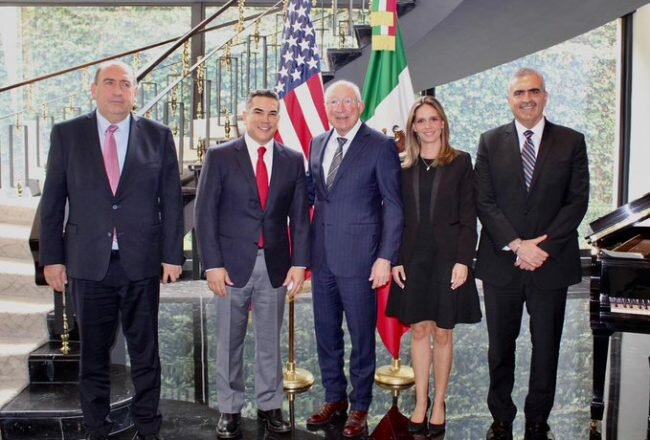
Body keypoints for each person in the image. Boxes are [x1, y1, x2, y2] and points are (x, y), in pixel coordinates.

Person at [39, 61, 184, 440]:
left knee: (146, 354)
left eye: (125, 84)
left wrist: (172, 255)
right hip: (88, 263)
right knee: (93, 357)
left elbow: (171, 200)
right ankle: (96, 430)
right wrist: (51, 258)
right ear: (94, 90)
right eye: (109, 83)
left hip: (141, 262)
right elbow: (52, 201)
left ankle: (148, 428)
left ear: (135, 92)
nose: (118, 91)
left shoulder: (158, 135)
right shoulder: (67, 134)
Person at [475, 68, 589, 440]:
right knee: (499, 348)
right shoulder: (490, 141)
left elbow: (577, 202)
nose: (527, 99)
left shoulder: (571, 141)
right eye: (520, 93)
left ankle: (539, 417)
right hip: (502, 263)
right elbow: (484, 201)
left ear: (545, 96)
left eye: (534, 91)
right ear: (509, 99)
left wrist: (541, 248)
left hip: (550, 263)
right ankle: (501, 416)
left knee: (546, 347)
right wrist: (517, 244)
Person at [194, 89, 310, 439]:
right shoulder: (220, 156)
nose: (265, 119)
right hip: (230, 268)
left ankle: (270, 405)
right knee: (229, 341)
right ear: (245, 115)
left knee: (269, 341)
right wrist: (212, 265)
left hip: (276, 266)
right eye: (258, 111)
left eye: (272, 113)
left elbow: (299, 218)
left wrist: (299, 263)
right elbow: (204, 214)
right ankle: (229, 409)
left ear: (279, 119)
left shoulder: (292, 160)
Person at [306, 80, 403, 438]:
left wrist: (385, 257)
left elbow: (394, 205)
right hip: (322, 258)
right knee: (325, 333)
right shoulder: (318, 142)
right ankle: (334, 398)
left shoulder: (380, 145)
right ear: (326, 108)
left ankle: (360, 404)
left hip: (362, 260)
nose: (341, 108)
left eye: (348, 102)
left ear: (360, 107)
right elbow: (314, 195)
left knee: (361, 337)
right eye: (334, 102)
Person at [386, 96, 481, 436]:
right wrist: (395, 259)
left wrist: (464, 260)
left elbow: (469, 216)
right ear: (412, 127)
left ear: (442, 123)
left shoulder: (461, 162)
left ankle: (439, 401)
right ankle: (421, 401)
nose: (427, 125)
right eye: (420, 120)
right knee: (419, 330)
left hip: (448, 259)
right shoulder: (403, 167)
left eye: (432, 119)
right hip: (413, 259)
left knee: (442, 331)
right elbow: (395, 218)